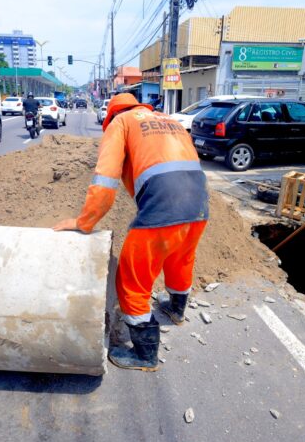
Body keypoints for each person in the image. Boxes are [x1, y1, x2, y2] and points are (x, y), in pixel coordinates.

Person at [53, 93, 209, 372]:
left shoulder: (121, 123)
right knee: (180, 258)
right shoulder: (168, 120)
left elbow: (105, 181)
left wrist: (84, 222)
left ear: (111, 113)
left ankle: (145, 355)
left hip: (164, 207)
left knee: (132, 278)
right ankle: (176, 310)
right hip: (199, 205)